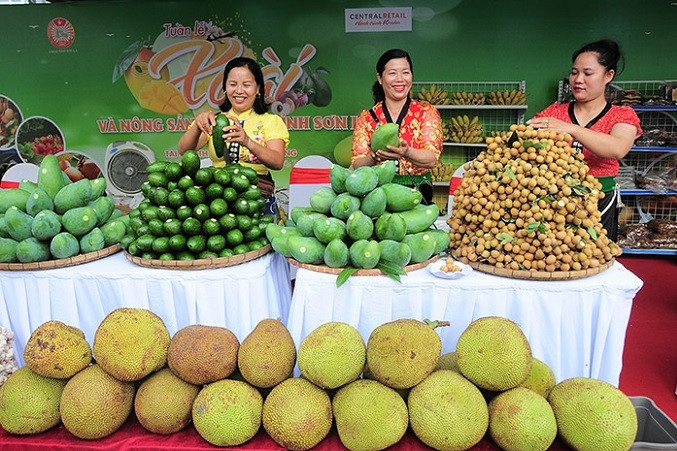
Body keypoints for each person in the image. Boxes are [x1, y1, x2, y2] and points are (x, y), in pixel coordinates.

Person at [527, 39, 642, 242]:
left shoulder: (622, 115)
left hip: (600, 202)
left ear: (609, 75)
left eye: (588, 73)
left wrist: (571, 129)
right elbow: (526, 144)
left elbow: (617, 148)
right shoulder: (555, 112)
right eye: (574, 72)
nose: (578, 79)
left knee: (596, 260)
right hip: (554, 202)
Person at [178, 56, 289, 215]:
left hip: (256, 199)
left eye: (246, 85)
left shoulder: (271, 121)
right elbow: (184, 150)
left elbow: (277, 161)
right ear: (225, 88)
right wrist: (197, 125)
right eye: (232, 84)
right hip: (218, 200)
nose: (239, 91)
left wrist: (247, 142)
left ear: (258, 88)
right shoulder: (216, 120)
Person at [352, 49, 443, 205]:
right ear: (380, 78)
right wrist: (373, 157)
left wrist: (406, 152)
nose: (400, 79)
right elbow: (357, 165)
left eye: (405, 73)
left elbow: (431, 159)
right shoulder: (367, 117)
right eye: (392, 73)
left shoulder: (426, 112)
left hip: (417, 194)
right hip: (377, 197)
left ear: (411, 76)